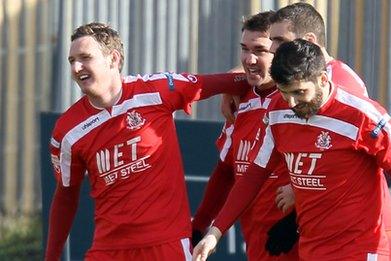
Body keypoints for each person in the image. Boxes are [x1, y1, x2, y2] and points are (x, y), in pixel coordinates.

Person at [193, 40, 391, 261]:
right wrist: (215, 233)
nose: (292, 103)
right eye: (284, 93)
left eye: (300, 93)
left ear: (323, 79)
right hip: (311, 249)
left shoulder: (363, 117)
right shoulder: (278, 111)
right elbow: (254, 174)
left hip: (359, 249)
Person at [45, 22, 250, 261]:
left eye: (85, 57)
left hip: (167, 245)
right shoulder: (67, 130)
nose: (76, 67)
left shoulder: (156, 90)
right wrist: (51, 257)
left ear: (113, 58)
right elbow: (65, 197)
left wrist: (236, 79)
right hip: (108, 250)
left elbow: (229, 81)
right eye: (72, 60)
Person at [267, 4, 391, 260]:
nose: (272, 48)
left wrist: (299, 193)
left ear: (309, 41)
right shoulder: (303, 83)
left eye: (279, 40)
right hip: (334, 232)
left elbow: (339, 159)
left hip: (367, 230)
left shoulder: (339, 85)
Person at [191, 11, 298, 260]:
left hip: (296, 240)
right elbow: (227, 170)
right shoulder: (241, 101)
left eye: (259, 50)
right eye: (244, 49)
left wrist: (296, 216)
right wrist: (200, 225)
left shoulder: (296, 101)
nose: (249, 59)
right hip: (256, 241)